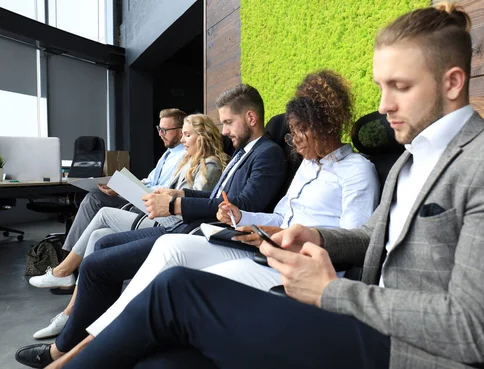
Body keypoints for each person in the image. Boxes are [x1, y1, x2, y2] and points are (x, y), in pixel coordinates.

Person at [52, 3, 484, 369]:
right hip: (378, 327)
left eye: (400, 87)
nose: (383, 105)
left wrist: (332, 293)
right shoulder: (412, 162)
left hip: (426, 355)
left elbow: (476, 329)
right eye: (381, 85)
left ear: (453, 83)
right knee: (163, 359)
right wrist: (315, 237)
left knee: (175, 290)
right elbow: (372, 236)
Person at [79, 70, 380, 343]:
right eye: (291, 133)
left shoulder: (356, 171)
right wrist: (240, 215)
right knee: (169, 247)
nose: (295, 142)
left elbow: (351, 242)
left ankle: (93, 347)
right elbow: (280, 215)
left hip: (297, 267)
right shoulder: (307, 165)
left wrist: (288, 234)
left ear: (326, 126)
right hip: (266, 247)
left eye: (301, 131)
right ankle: (95, 339)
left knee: (182, 281)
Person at [15, 84, 288, 369]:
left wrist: (174, 206)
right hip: (188, 226)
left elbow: (240, 207)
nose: (225, 130)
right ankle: (85, 336)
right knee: (103, 244)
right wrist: (178, 195)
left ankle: (66, 348)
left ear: (251, 118)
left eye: (229, 122)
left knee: (97, 265)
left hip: (198, 232)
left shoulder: (266, 153)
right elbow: (214, 197)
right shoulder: (244, 153)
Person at [26, 113, 228, 340]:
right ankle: (73, 311)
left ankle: (63, 272)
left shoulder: (208, 166)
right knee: (99, 235)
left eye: (187, 135)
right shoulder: (187, 161)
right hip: (157, 212)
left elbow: (190, 206)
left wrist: (162, 196)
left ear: (202, 137)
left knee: (102, 213)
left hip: (168, 221)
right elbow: (162, 188)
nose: (182, 139)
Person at [59, 108, 187, 257]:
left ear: (180, 131)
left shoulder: (185, 157)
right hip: (141, 197)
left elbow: (167, 190)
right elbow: (150, 180)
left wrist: (125, 189)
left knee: (97, 207)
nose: (160, 134)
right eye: (159, 129)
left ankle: (68, 261)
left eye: (165, 130)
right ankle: (68, 256)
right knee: (93, 198)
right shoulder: (167, 154)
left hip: (151, 204)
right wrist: (123, 183)